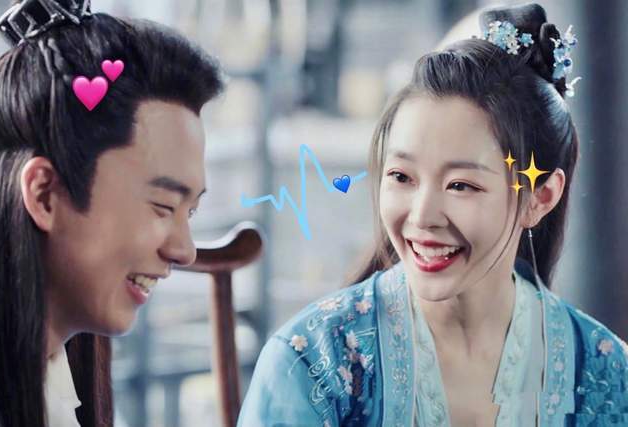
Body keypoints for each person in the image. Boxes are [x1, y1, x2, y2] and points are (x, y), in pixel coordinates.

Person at [238, 3, 628, 426]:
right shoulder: (312, 365)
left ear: (541, 197)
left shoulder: (605, 376)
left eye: (461, 185)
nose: (423, 217)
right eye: (402, 176)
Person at [0, 0, 223, 426]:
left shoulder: (54, 376)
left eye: (189, 212)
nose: (184, 251)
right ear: (45, 195)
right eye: (163, 206)